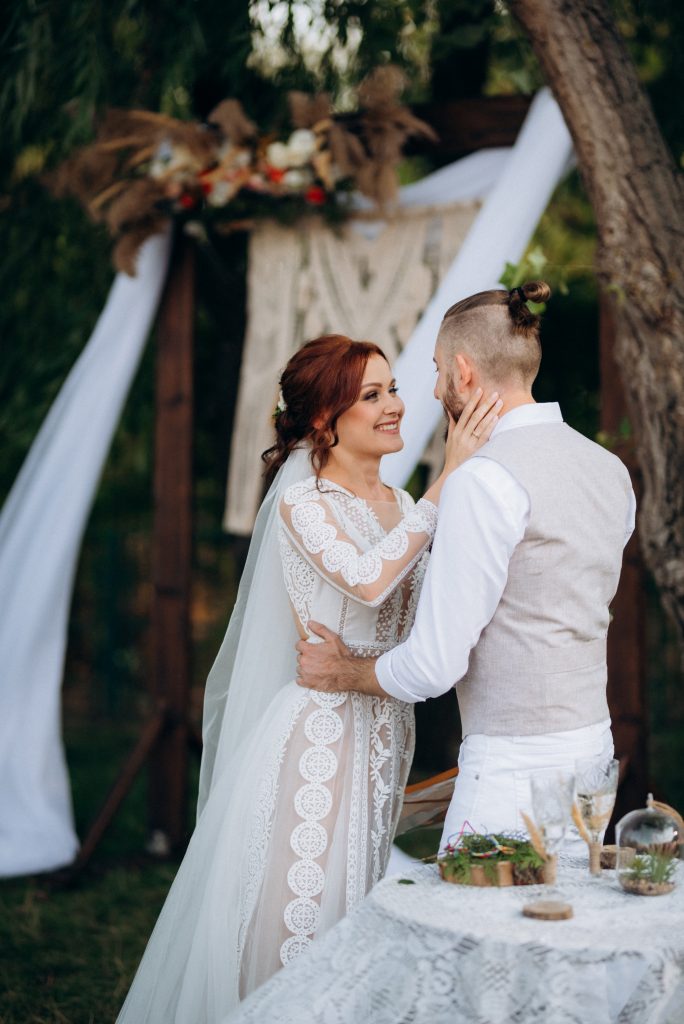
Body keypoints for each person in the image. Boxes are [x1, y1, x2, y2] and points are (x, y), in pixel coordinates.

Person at [116, 334, 500, 1023]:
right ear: (325, 419)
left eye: (392, 388)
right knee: (301, 918)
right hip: (320, 738)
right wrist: (450, 477)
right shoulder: (306, 504)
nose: (394, 406)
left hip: (387, 730)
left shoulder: (402, 501)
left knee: (355, 910)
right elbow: (369, 580)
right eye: (371, 395)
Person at [297, 284, 636, 850]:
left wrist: (343, 672)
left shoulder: (483, 480)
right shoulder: (609, 470)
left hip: (512, 773)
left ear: (463, 371)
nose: (433, 391)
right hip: (592, 754)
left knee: (470, 909)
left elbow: (433, 666)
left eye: (436, 371)